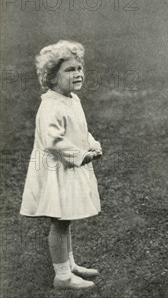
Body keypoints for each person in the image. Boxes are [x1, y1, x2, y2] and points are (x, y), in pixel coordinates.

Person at [20, 40, 102, 290]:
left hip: (67, 169)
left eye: (79, 68)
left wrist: (92, 143)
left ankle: (69, 264)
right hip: (56, 170)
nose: (77, 73)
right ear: (52, 78)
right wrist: (81, 156)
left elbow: (79, 130)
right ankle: (62, 276)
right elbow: (54, 142)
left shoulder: (72, 99)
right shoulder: (51, 106)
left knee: (66, 220)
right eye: (69, 70)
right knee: (60, 221)